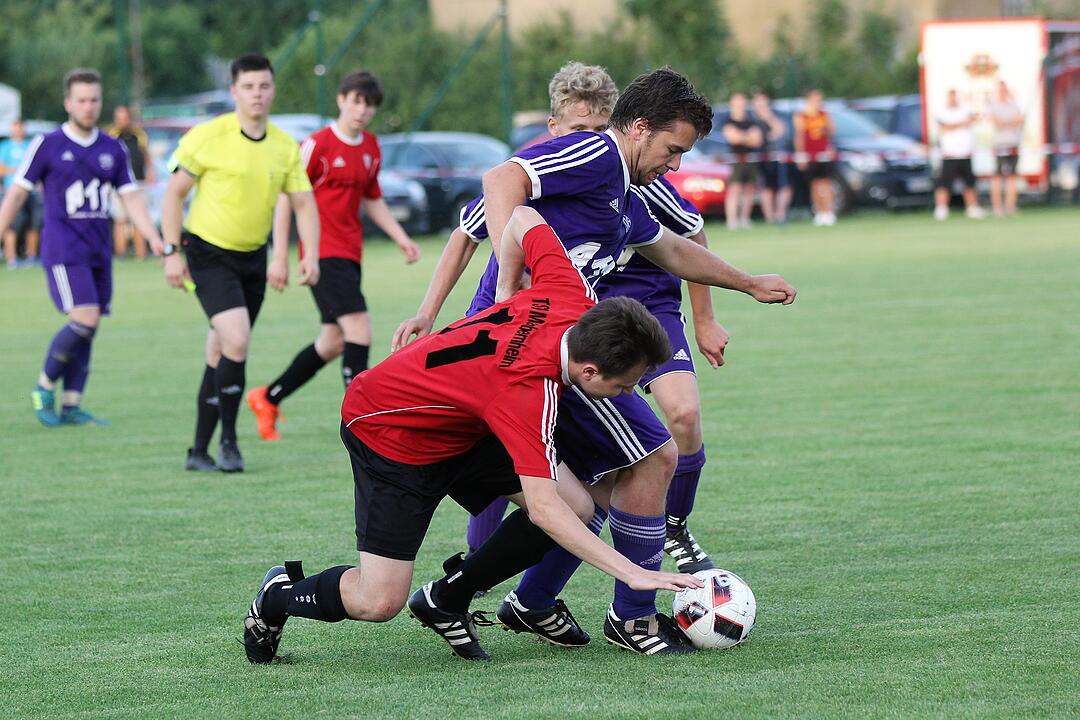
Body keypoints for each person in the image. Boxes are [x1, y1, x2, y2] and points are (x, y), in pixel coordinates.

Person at [397, 67, 795, 656]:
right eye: (672, 149)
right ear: (639, 127)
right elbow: (501, 179)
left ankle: (496, 599)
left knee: (598, 488)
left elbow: (672, 248)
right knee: (654, 456)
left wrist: (748, 282)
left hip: (545, 354)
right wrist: (507, 283)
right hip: (522, 353)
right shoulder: (599, 155)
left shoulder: (624, 196)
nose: (675, 165)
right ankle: (631, 618)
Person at [242, 206, 705, 664]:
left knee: (578, 507)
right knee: (378, 601)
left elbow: (522, 217)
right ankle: (277, 596)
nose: (627, 393)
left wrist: (506, 289)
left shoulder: (573, 293)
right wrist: (632, 573)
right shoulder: (529, 393)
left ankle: (447, 599)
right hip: (389, 434)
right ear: (589, 370)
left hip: (461, 425)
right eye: (622, 385)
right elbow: (544, 510)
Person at [161, 54, 320, 473]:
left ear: (273, 90)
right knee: (237, 338)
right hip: (207, 253)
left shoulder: (284, 146)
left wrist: (310, 253)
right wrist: (171, 252)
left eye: (264, 86)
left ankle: (198, 451)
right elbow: (173, 193)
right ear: (234, 91)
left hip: (252, 258)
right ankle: (230, 443)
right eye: (248, 87)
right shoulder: (208, 136)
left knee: (221, 349)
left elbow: (304, 203)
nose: (257, 94)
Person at [246, 71, 421, 441]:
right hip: (322, 253)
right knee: (359, 329)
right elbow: (287, 198)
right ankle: (362, 422)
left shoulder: (371, 147)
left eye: (369, 105)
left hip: (350, 253)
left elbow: (372, 198)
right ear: (341, 100)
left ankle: (267, 397)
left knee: (333, 342)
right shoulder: (317, 145)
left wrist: (400, 238)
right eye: (356, 101)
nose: (362, 110)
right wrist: (279, 256)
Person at [0, 69, 164, 426]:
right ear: (68, 103)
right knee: (84, 319)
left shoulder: (112, 148)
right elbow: (17, 193)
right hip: (63, 249)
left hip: (98, 250)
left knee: (91, 324)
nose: (89, 107)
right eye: (82, 100)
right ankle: (44, 386)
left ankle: (72, 405)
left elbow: (130, 198)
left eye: (94, 100)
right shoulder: (48, 144)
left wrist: (153, 237)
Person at [107, 105, 155, 260]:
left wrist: (150, 172)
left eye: (125, 118)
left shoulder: (139, 135)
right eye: (119, 119)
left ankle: (140, 253)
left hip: (138, 182)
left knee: (139, 218)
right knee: (120, 219)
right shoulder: (112, 136)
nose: (123, 122)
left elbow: (146, 155)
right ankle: (121, 253)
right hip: (118, 184)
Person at [933, 88, 986, 221]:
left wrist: (959, 123)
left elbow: (975, 118)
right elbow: (944, 127)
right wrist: (962, 123)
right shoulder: (942, 111)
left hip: (965, 153)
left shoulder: (965, 109)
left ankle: (972, 207)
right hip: (950, 154)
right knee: (944, 183)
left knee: (969, 183)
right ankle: (941, 208)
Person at [0, 118, 42, 268]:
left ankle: (31, 257)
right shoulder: (5, 146)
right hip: (12, 192)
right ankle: (11, 259)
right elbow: (1, 169)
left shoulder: (30, 145)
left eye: (21, 127)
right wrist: (20, 170)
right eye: (16, 127)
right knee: (11, 225)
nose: (19, 130)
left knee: (34, 224)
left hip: (31, 192)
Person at [793, 88, 837, 226]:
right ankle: (819, 212)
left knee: (826, 183)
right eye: (815, 99)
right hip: (810, 155)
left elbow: (832, 131)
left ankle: (829, 211)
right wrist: (800, 154)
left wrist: (827, 127)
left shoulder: (824, 114)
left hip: (823, 154)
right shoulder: (801, 116)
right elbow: (799, 136)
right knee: (814, 184)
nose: (818, 102)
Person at [721, 92, 763, 230]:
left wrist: (741, 136)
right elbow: (732, 138)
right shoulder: (729, 121)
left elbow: (757, 140)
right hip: (736, 159)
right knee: (735, 188)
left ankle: (745, 218)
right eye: (737, 102)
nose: (740, 105)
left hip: (751, 159)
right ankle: (732, 220)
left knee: (750, 189)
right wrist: (748, 136)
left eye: (742, 102)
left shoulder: (751, 121)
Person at [752, 91, 791, 224]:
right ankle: (769, 217)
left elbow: (780, 131)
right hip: (762, 157)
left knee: (784, 186)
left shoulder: (774, 115)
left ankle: (780, 214)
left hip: (778, 156)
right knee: (766, 188)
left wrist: (769, 118)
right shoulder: (752, 118)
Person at [988, 80, 1023, 217]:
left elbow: (1020, 120)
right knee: (997, 176)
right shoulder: (993, 106)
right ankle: (997, 207)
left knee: (1012, 176)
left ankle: (1010, 206)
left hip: (1013, 144)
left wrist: (1006, 123)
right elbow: (998, 124)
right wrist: (1011, 122)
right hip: (999, 145)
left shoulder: (1014, 105)